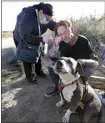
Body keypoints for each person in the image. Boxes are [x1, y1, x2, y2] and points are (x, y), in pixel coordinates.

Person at [45, 20, 99, 97]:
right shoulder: (61, 42)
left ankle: (81, 86)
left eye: (65, 32)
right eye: (60, 34)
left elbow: (95, 62)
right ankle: (57, 86)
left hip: (79, 68)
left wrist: (83, 61)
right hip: (67, 67)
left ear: (72, 29)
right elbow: (51, 58)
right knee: (50, 63)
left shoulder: (83, 41)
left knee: (88, 69)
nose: (63, 36)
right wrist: (54, 46)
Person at [13, 2, 56, 83]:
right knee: (27, 55)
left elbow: (53, 25)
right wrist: (41, 39)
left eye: (49, 19)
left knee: (38, 52)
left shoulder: (44, 16)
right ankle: (30, 76)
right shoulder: (27, 17)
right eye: (47, 19)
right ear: (40, 12)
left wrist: (62, 30)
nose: (47, 21)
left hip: (35, 36)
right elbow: (25, 36)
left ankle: (38, 71)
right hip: (21, 38)